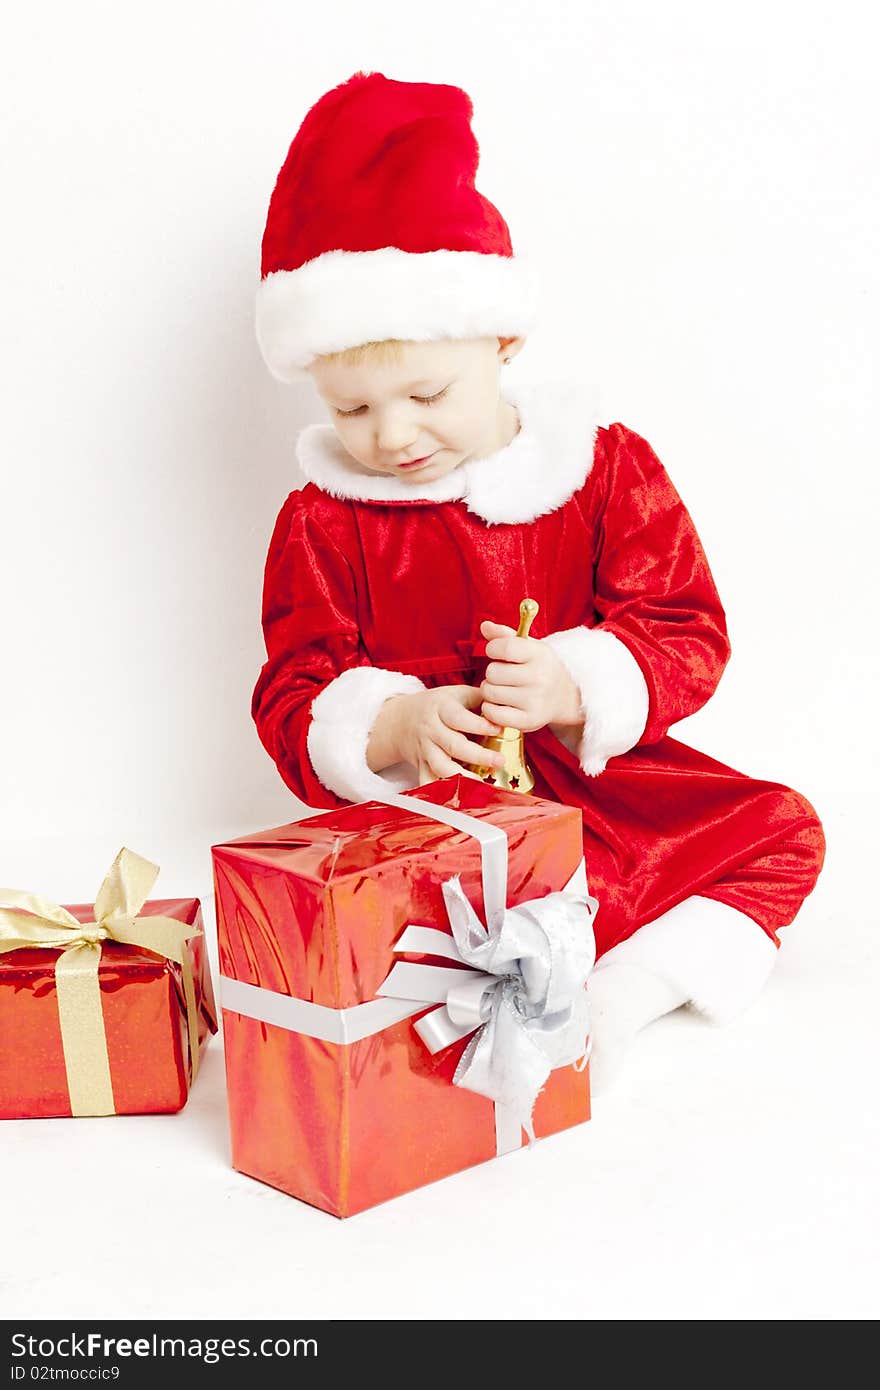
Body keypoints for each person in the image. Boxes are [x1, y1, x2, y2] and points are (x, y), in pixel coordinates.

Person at [250, 70, 826, 1091]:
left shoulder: (601, 468)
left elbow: (686, 629)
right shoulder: (324, 517)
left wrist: (573, 684)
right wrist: (388, 728)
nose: (391, 435)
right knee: (439, 920)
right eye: (351, 409)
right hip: (441, 813)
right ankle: (523, 983)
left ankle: (631, 986)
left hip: (603, 783)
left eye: (427, 392)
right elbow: (294, 686)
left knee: (780, 830)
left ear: (503, 339)